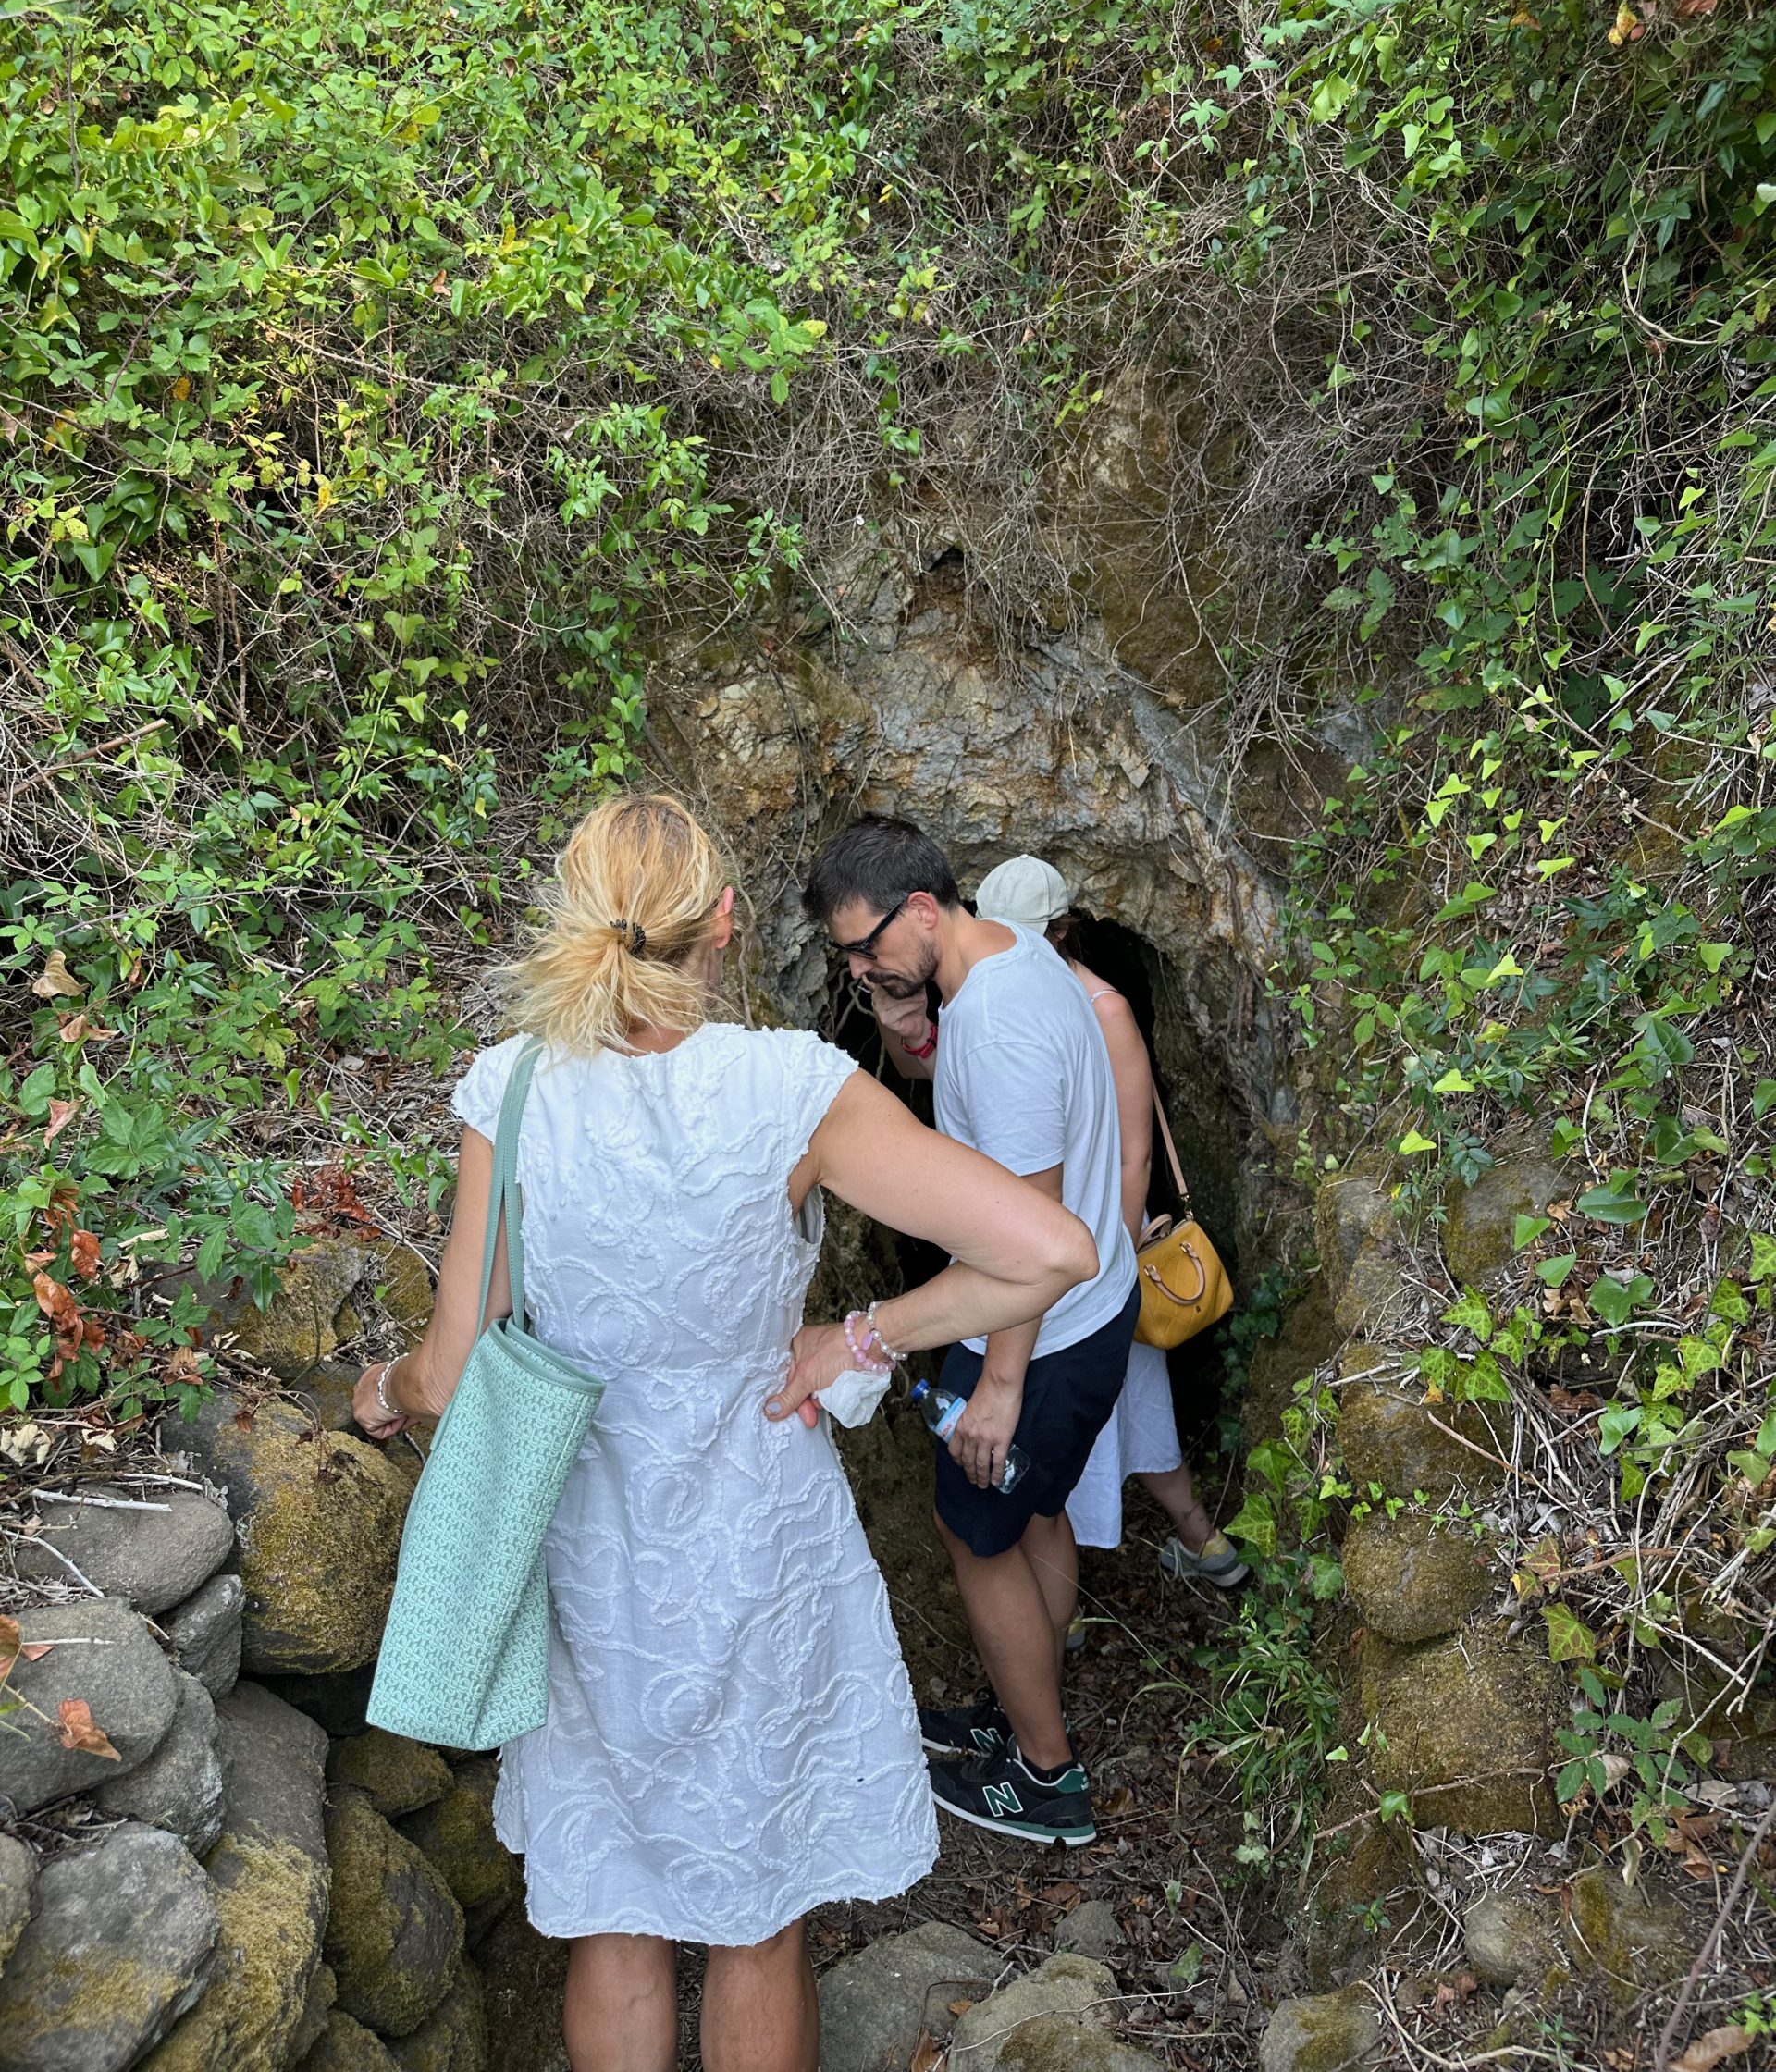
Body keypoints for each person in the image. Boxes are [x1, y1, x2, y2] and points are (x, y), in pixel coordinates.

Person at [352, 793, 1098, 2072]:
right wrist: (859, 1338)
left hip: (593, 1549)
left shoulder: (514, 1092)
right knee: (759, 1921)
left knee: (614, 1915)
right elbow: (1051, 1251)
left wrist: (378, 1393)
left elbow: (455, 1364)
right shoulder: (788, 1091)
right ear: (728, 924)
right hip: (759, 1537)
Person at [803, 816, 1141, 1849]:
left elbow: (1023, 1238)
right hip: (1088, 1312)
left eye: (867, 947)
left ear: (919, 909)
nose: (859, 970)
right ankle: (1020, 1696)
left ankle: (1047, 1775)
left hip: (1037, 1334)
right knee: (1031, 1515)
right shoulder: (1011, 949)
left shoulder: (994, 1029)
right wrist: (905, 1007)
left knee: (976, 1525)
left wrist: (998, 1386)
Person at [972, 856, 1248, 1590]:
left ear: (1061, 931)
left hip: (1095, 1260)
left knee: (1126, 1398)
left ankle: (1191, 1542)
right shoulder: (1002, 1004)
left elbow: (1134, 1156)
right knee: (1082, 1414)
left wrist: (1107, 1264)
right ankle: (1176, 1551)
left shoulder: (1103, 1010)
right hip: (1037, 1257)